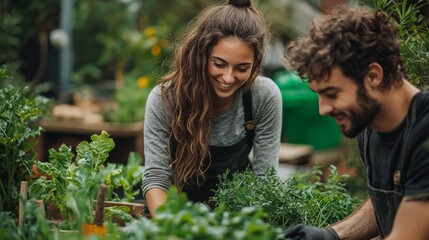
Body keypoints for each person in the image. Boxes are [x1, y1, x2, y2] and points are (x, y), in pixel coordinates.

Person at [283, 5, 429, 240]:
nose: (323, 110)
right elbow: (387, 200)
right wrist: (333, 235)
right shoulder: (370, 125)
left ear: (373, 76)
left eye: (331, 93)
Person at [141, 0, 282, 216]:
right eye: (219, 64)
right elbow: (156, 178)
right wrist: (170, 228)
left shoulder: (262, 96)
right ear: (201, 55)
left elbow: (265, 180)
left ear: (255, 64)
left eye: (242, 68)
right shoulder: (165, 99)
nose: (228, 77)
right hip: (174, 210)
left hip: (235, 215)